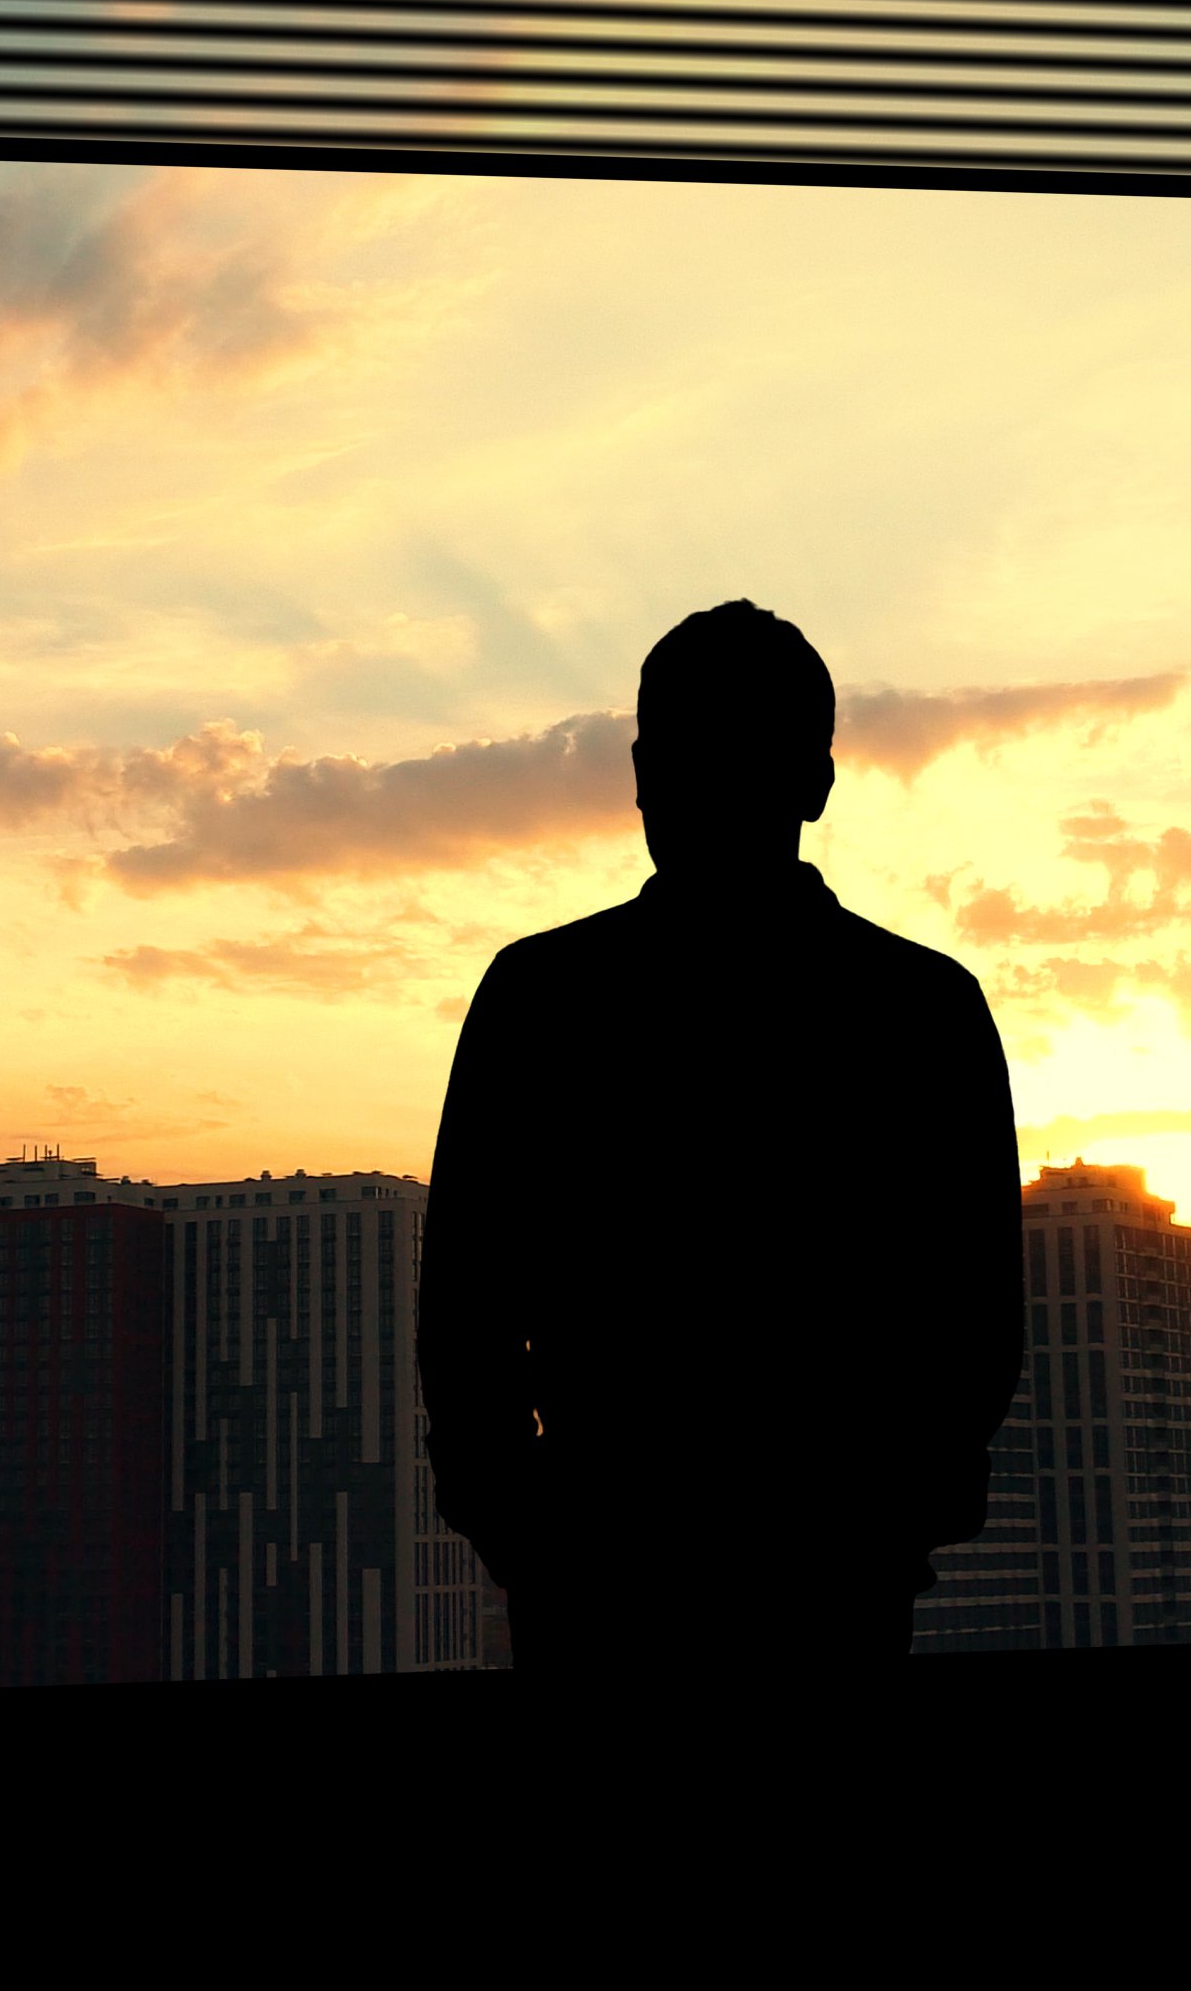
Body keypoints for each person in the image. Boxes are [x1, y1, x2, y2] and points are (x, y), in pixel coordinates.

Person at [414, 600, 1021, 1679]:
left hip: (628, 1578)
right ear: (819, 781)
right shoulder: (922, 1008)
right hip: (804, 1580)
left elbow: (465, 1310)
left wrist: (530, 1531)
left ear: (640, 776)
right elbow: (971, 1329)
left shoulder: (543, 997)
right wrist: (878, 1527)